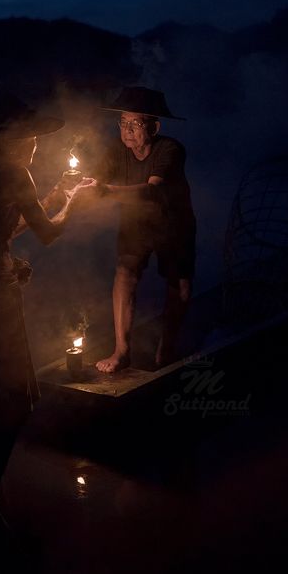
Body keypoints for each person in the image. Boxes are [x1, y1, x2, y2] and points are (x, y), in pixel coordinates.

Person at [0, 95, 93, 513]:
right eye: (29, 139)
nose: (34, 146)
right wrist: (73, 201)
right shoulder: (16, 173)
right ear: (10, 141)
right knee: (13, 401)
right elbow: (46, 233)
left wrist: (55, 193)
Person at [93, 86, 196, 373]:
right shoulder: (116, 151)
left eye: (136, 123)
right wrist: (78, 185)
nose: (127, 130)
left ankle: (166, 350)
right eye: (123, 122)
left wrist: (105, 191)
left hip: (174, 224)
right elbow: (95, 179)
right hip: (135, 221)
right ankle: (121, 351)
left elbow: (153, 191)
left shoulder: (170, 149)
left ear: (154, 127)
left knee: (179, 283)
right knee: (125, 274)